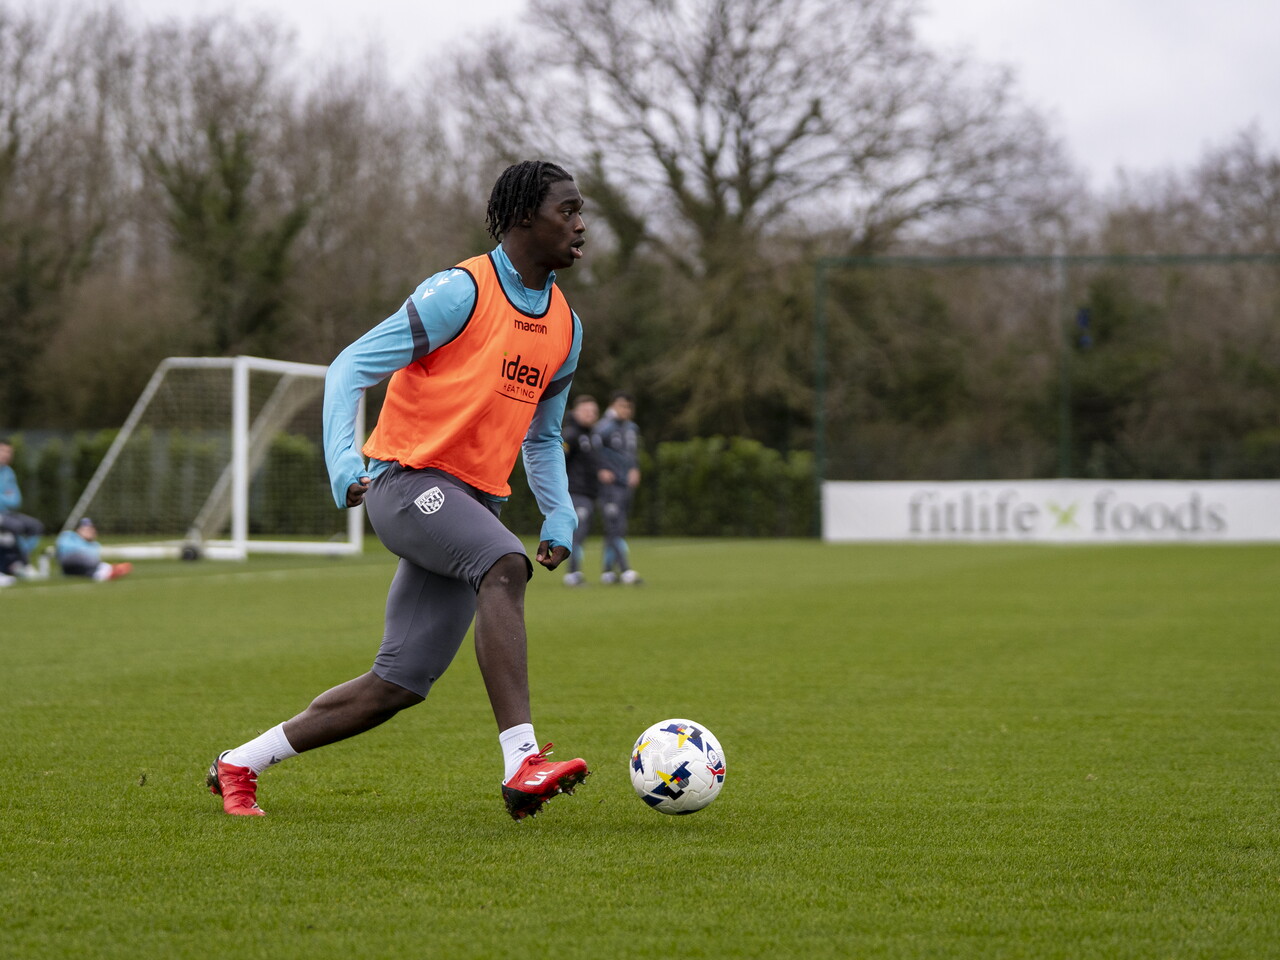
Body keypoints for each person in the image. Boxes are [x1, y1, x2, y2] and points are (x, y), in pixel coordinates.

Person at [207, 160, 591, 821]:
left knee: (399, 683)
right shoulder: (460, 291)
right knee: (502, 564)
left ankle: (241, 762)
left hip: (471, 507)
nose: (581, 226)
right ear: (525, 217)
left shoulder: (567, 328)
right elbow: (350, 366)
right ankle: (523, 762)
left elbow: (542, 438)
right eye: (569, 211)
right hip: (407, 486)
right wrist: (343, 462)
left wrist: (558, 515)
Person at [592, 391, 642, 584]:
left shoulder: (631, 428)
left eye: (629, 407)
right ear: (612, 405)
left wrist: (635, 469)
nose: (625, 410)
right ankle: (625, 569)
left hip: (625, 485)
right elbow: (592, 452)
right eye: (621, 405)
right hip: (609, 486)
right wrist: (601, 469)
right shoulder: (602, 428)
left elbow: (631, 454)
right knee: (614, 525)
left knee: (618, 527)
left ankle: (607, 571)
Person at [561, 394, 600, 586]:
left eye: (594, 411)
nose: (591, 415)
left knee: (581, 532)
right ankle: (572, 573)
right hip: (576, 491)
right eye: (586, 411)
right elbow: (559, 462)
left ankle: (574, 571)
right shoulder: (571, 434)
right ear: (575, 411)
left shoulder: (590, 435)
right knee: (578, 532)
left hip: (588, 492)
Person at [0, 438, 45, 580]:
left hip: (6, 513)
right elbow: (8, 497)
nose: (6, 454)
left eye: (9, 452)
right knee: (16, 527)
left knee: (35, 526)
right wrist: (5, 495)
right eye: (2, 450)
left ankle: (22, 561)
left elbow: (15, 501)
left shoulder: (8, 472)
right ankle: (19, 563)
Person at [55, 518, 132, 582]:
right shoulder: (69, 536)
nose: (89, 531)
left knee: (92, 569)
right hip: (69, 561)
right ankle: (110, 569)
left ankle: (107, 572)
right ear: (78, 530)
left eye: (90, 529)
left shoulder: (94, 544)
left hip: (82, 568)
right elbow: (63, 549)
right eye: (85, 529)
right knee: (88, 560)